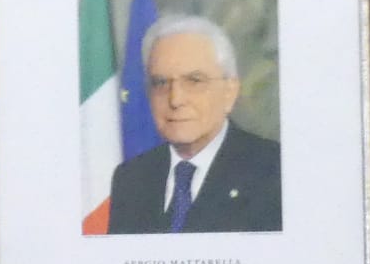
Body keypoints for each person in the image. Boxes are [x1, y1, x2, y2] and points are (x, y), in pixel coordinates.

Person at [108, 13, 283, 234]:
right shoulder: (131, 179)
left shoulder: (275, 171)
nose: (175, 99)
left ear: (229, 92)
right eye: (161, 82)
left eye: (194, 81)